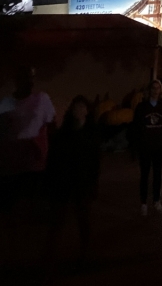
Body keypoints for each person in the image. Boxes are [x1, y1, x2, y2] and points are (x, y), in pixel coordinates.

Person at [45, 95, 100, 263]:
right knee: (58, 221)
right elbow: (54, 158)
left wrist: (93, 184)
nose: (78, 110)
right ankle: (50, 256)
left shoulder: (91, 135)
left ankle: (84, 252)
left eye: (82, 107)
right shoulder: (64, 134)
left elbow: (95, 163)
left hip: (82, 183)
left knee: (83, 219)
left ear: (87, 111)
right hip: (64, 182)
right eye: (76, 107)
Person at [0, 65, 56, 204]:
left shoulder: (42, 99)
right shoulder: (6, 104)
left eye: (31, 77)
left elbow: (51, 126)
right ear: (17, 80)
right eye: (25, 77)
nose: (29, 81)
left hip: (35, 161)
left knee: (31, 201)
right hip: (12, 163)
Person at [133, 78, 162, 215]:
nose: (155, 91)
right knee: (145, 174)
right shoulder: (142, 107)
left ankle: (156, 201)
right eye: (153, 88)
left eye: (157, 88)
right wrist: (136, 145)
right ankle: (143, 203)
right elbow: (136, 126)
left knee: (158, 174)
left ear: (161, 91)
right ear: (149, 90)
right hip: (145, 146)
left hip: (158, 146)